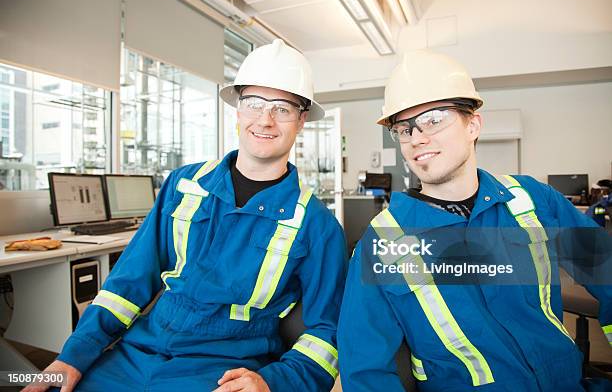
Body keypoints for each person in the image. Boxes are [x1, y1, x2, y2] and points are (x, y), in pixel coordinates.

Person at [26, 39, 347, 392]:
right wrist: (74, 355)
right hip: (139, 351)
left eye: (282, 108)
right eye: (254, 104)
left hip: (225, 367)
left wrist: (275, 382)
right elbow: (127, 284)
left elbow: (327, 332)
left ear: (301, 120)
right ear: (237, 111)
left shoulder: (318, 225)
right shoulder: (184, 185)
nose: (265, 120)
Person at [337, 50, 611, 391]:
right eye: (404, 129)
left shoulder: (533, 200)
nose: (418, 138)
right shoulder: (381, 245)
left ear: (473, 125)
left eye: (434, 119)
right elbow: (365, 372)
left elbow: (605, 268)